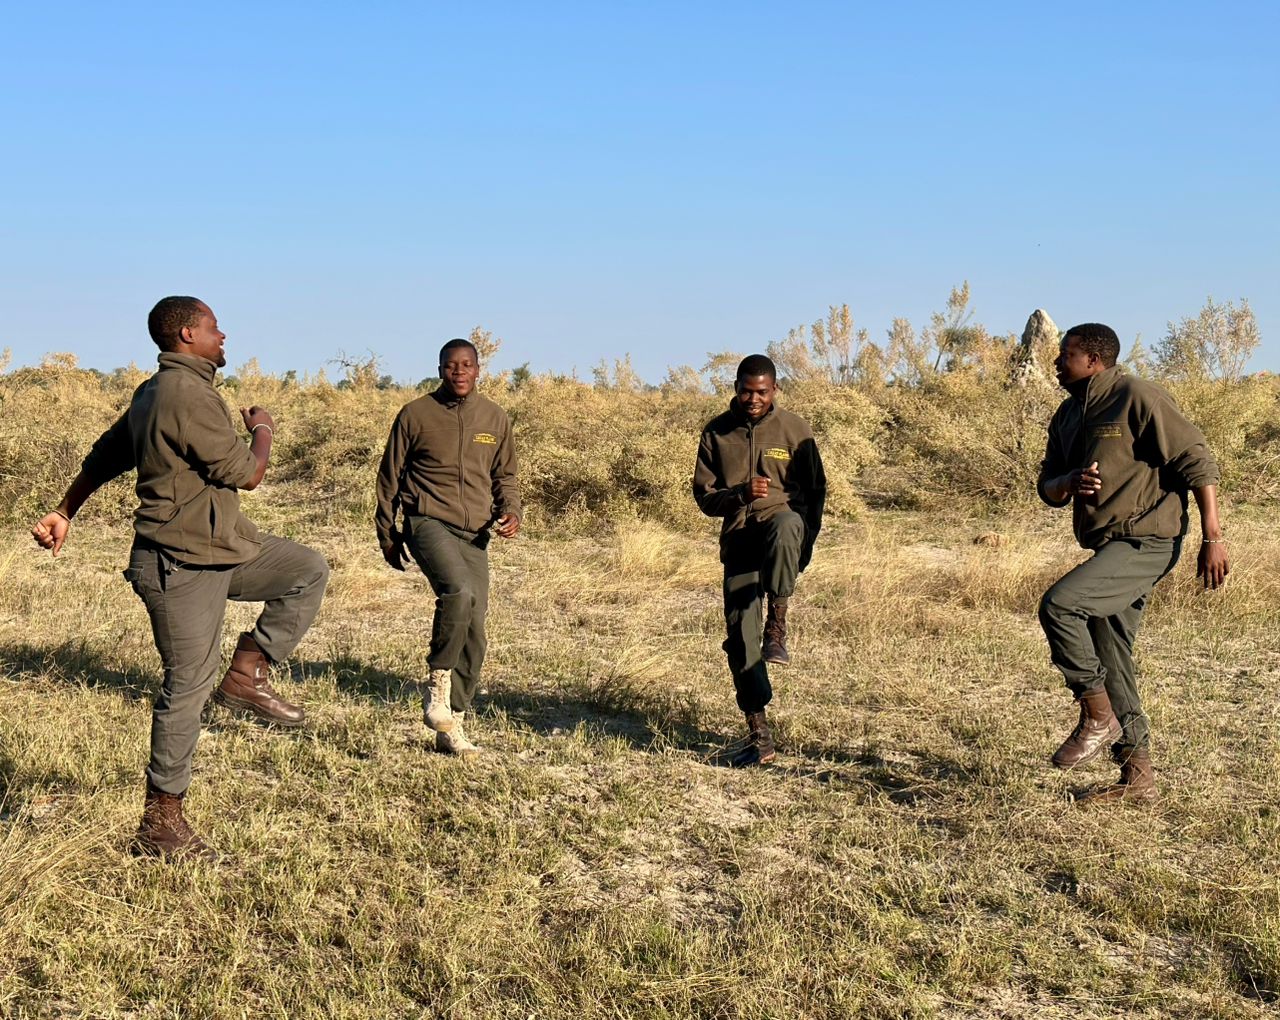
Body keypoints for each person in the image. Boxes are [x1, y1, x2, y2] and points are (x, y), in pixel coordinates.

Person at [31, 296, 330, 859]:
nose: (225, 335)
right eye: (216, 327)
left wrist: (66, 510)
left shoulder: (157, 391)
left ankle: (246, 675)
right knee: (187, 687)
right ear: (189, 333)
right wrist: (263, 429)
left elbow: (103, 455)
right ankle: (161, 823)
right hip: (179, 564)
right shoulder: (184, 394)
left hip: (220, 549)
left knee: (306, 569)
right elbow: (249, 473)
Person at [1037, 322, 1228, 803]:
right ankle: (1138, 778)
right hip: (1108, 547)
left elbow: (1196, 459)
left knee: (1061, 605)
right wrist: (1068, 483)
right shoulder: (1066, 416)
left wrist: (1213, 536)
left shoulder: (1137, 396)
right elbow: (1047, 486)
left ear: (1094, 359)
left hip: (1149, 540)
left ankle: (1097, 713)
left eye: (1066, 354)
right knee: (1111, 654)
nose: (1058, 363)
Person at [375, 338, 521, 756]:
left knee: (475, 632)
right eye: (451, 365)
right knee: (458, 591)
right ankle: (438, 682)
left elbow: (505, 477)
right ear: (439, 369)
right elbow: (389, 478)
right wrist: (388, 533)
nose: (459, 372)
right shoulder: (415, 415)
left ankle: (452, 723)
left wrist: (511, 511)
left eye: (467, 365)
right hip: (426, 520)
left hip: (474, 532)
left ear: (478, 370)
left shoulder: (494, 417)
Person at [693, 355, 825, 767]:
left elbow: (817, 493)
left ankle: (778, 625)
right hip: (739, 543)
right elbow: (704, 497)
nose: (753, 399)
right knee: (740, 643)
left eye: (762, 392)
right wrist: (739, 495)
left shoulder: (794, 429)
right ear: (736, 387)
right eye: (747, 390)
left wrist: (804, 546)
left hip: (782, 534)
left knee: (788, 523)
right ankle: (758, 734)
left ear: (775, 390)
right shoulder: (716, 432)